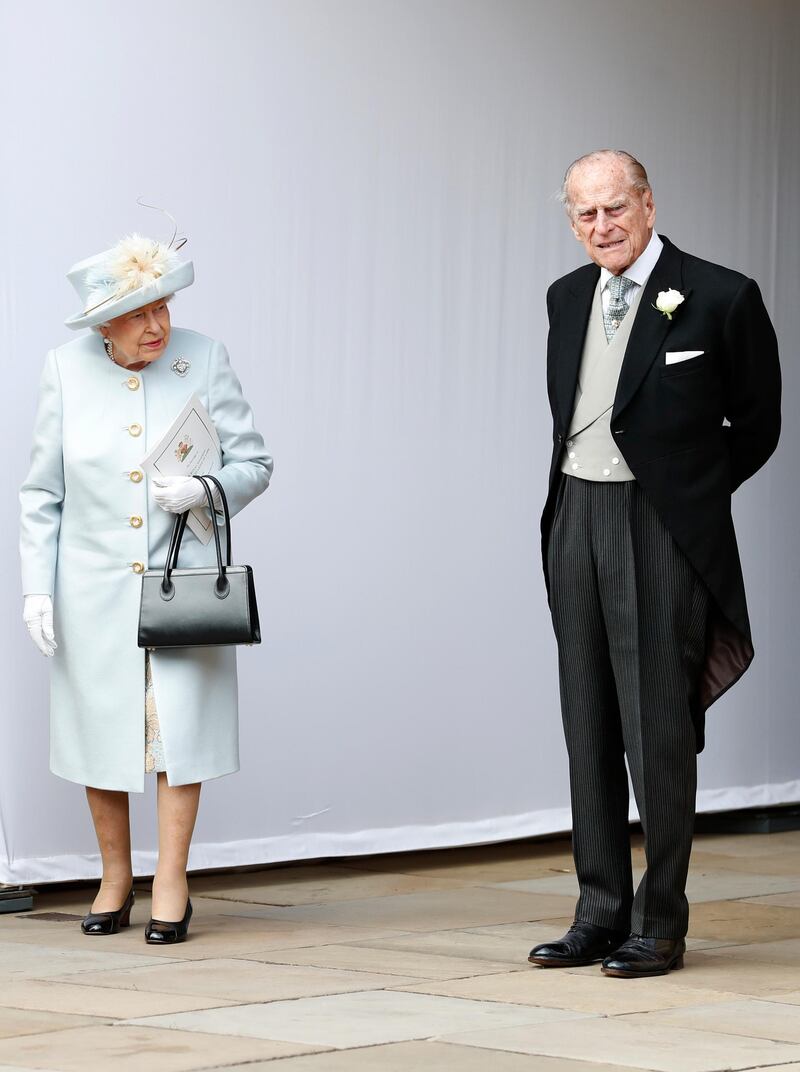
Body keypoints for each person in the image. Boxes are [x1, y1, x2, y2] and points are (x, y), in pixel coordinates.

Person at [528, 150, 781, 978]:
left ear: (647, 202)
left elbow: (759, 421)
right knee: (587, 718)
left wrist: (688, 495)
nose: (601, 226)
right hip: (575, 515)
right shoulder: (567, 297)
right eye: (584, 214)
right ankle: (599, 910)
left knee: (657, 728)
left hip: (658, 526)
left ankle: (660, 920)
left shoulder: (720, 294)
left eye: (614, 208)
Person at [20, 232, 273, 943]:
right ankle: (113, 878)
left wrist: (207, 486)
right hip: (91, 589)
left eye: (162, 306)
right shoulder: (64, 371)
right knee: (100, 730)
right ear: (103, 323)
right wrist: (37, 588)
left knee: (175, 736)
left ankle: (172, 879)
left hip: (179, 584)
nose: (157, 325)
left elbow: (255, 461)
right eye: (137, 314)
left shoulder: (205, 357)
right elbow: (42, 492)